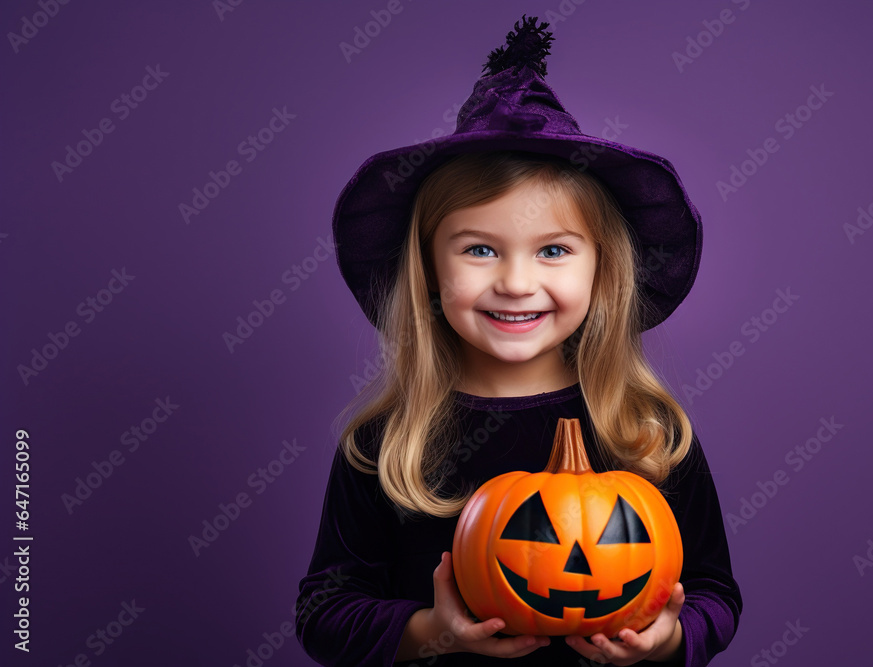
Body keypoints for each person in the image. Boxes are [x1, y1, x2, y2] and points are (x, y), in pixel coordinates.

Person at [295, 14, 741, 667]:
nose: (515, 281)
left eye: (553, 250)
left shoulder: (647, 432)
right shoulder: (385, 443)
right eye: (479, 249)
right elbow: (324, 610)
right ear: (429, 269)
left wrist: (670, 636)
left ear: (602, 271)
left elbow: (714, 593)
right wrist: (425, 629)